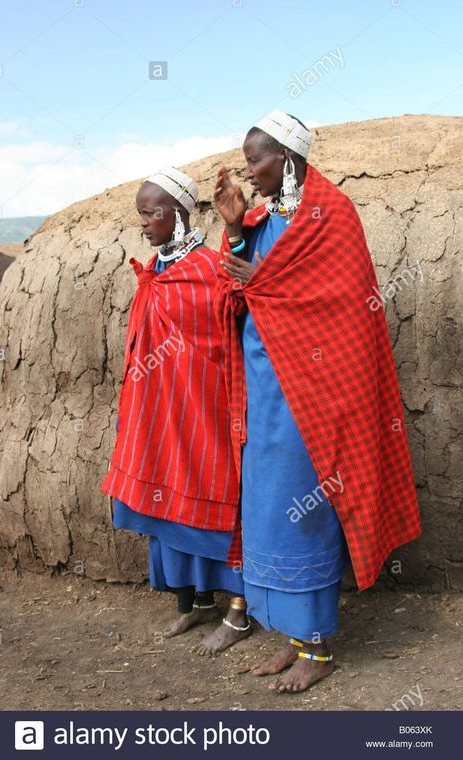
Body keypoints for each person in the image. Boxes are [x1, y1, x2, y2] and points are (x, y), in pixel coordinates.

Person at [214, 111, 421, 693]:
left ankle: (318, 649)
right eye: (248, 159)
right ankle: (290, 636)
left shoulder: (330, 216)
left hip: (310, 394)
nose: (250, 171)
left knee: (296, 511)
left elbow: (337, 302)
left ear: (290, 157)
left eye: (258, 159)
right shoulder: (261, 220)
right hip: (261, 386)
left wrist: (263, 280)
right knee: (264, 508)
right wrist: (233, 232)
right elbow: (239, 288)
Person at [101, 167, 251, 654]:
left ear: (178, 214)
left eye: (150, 213)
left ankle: (236, 610)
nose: (143, 223)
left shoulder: (209, 268)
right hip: (159, 415)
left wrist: (235, 232)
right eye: (140, 214)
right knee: (167, 499)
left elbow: (235, 322)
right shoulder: (156, 269)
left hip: (204, 410)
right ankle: (195, 602)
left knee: (218, 496)